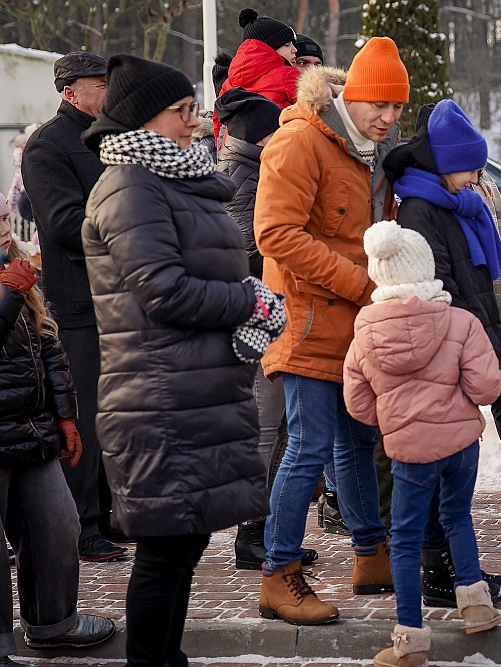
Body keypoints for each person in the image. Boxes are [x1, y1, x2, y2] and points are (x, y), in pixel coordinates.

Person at [80, 54, 271, 667]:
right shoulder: (129, 186)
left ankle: (167, 659)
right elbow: (163, 289)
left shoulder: (173, 178)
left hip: (188, 387)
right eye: (183, 111)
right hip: (158, 397)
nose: (196, 121)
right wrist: (250, 298)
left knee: (182, 547)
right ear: (143, 119)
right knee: (165, 553)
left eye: (194, 108)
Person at [253, 36, 409, 625]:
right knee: (308, 449)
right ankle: (279, 572)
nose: (389, 119)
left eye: (398, 109)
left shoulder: (364, 150)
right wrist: (358, 284)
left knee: (355, 444)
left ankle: (370, 554)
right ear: (354, 96)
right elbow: (275, 234)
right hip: (309, 321)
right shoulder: (299, 140)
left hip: (354, 327)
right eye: (381, 107)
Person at [0, 174, 116, 665]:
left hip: (32, 429)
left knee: (57, 525)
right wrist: (4, 294)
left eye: (7, 220)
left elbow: (47, 342)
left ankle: (53, 623)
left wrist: (65, 416)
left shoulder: (11, 270)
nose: (6, 229)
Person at [344, 220, 501, 667]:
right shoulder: (461, 321)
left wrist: (395, 422)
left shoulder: (365, 331)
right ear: (425, 266)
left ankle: (411, 640)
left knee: (406, 538)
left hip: (408, 452)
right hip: (459, 445)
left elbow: (357, 402)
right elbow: (487, 388)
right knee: (457, 517)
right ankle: (475, 605)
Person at [387, 100, 501, 504]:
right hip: (460, 320)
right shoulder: (428, 203)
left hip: (490, 302)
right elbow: (442, 272)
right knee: (464, 411)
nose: (476, 175)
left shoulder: (478, 188)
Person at [21, 51, 127, 563]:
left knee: (114, 416)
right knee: (80, 416)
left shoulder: (111, 136)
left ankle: (107, 514)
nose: (110, 90)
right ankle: (79, 526)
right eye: (100, 83)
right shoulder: (48, 144)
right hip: (79, 303)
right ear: (70, 92)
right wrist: (130, 220)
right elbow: (64, 224)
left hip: (122, 297)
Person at [215, 88, 320, 571]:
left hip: (268, 307)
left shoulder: (251, 168)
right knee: (266, 424)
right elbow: (249, 249)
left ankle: (266, 532)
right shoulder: (246, 175)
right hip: (261, 310)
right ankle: (252, 535)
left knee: (274, 426)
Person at [213, 8, 300, 144]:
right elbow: (310, 111)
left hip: (237, 154)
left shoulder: (229, 83)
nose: (294, 50)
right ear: (269, 48)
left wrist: (222, 152)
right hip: (278, 149)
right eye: (287, 45)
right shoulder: (288, 75)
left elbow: (218, 120)